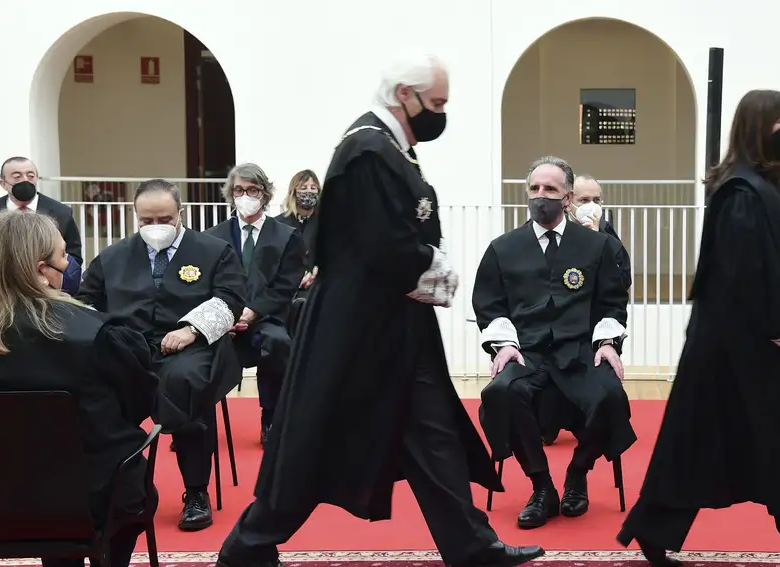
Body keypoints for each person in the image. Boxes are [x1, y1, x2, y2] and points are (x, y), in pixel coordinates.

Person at [216, 51, 543, 567]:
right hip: (358, 332)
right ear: (404, 96)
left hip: (393, 328)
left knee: (434, 436)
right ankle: (249, 544)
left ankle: (472, 546)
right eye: (435, 102)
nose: (440, 113)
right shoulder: (368, 149)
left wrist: (428, 262)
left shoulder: (389, 146)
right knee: (315, 440)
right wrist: (438, 267)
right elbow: (383, 245)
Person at [617, 90, 780, 567]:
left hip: (754, 354)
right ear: (758, 127)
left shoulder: (760, 190)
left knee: (709, 448)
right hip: (752, 356)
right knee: (769, 451)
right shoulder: (742, 193)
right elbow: (744, 277)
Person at [0, 211, 158, 567]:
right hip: (89, 501)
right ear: (41, 270)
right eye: (64, 257)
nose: (71, 266)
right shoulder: (97, 334)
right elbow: (139, 404)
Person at [473, 156, 635, 529]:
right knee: (500, 391)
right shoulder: (503, 248)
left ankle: (578, 473)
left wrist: (607, 343)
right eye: (534, 189)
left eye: (550, 189)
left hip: (579, 352)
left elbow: (612, 301)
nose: (540, 196)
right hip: (526, 352)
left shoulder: (597, 246)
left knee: (610, 395)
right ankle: (541, 486)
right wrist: (504, 346)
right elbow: (489, 304)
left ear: (567, 197)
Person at [78, 179, 246, 532]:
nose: (156, 227)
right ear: (136, 218)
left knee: (185, 384)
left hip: (192, 345)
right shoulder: (112, 257)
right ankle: (116, 490)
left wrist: (191, 330)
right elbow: (87, 303)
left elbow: (230, 298)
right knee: (95, 388)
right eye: (146, 221)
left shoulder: (215, 251)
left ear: (180, 213)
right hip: (128, 350)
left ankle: (195, 492)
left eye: (165, 218)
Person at [206, 163, 304, 444]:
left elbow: (287, 284)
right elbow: (209, 283)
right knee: (197, 349)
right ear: (230, 194)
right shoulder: (213, 237)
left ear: (264, 194)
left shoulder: (286, 236)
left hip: (267, 318)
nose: (245, 195)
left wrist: (253, 311)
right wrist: (228, 314)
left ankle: (271, 417)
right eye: (239, 189)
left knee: (278, 343)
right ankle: (196, 422)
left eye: (252, 189)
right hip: (224, 318)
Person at [0, 156, 83, 292]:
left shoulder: (61, 213)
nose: (25, 180)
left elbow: (73, 255)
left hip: (47, 292)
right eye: (17, 176)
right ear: (3, 183)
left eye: (30, 175)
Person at [567, 174, 632, 290]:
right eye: (584, 200)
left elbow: (624, 278)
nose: (592, 205)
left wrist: (599, 240)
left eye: (596, 200)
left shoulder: (605, 229)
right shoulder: (558, 231)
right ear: (568, 203)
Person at [276, 169, 322, 331]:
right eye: (303, 187)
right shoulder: (278, 224)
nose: (308, 191)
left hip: (317, 287)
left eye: (313, 188)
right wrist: (295, 277)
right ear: (293, 191)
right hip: (286, 289)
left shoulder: (326, 223)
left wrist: (318, 270)